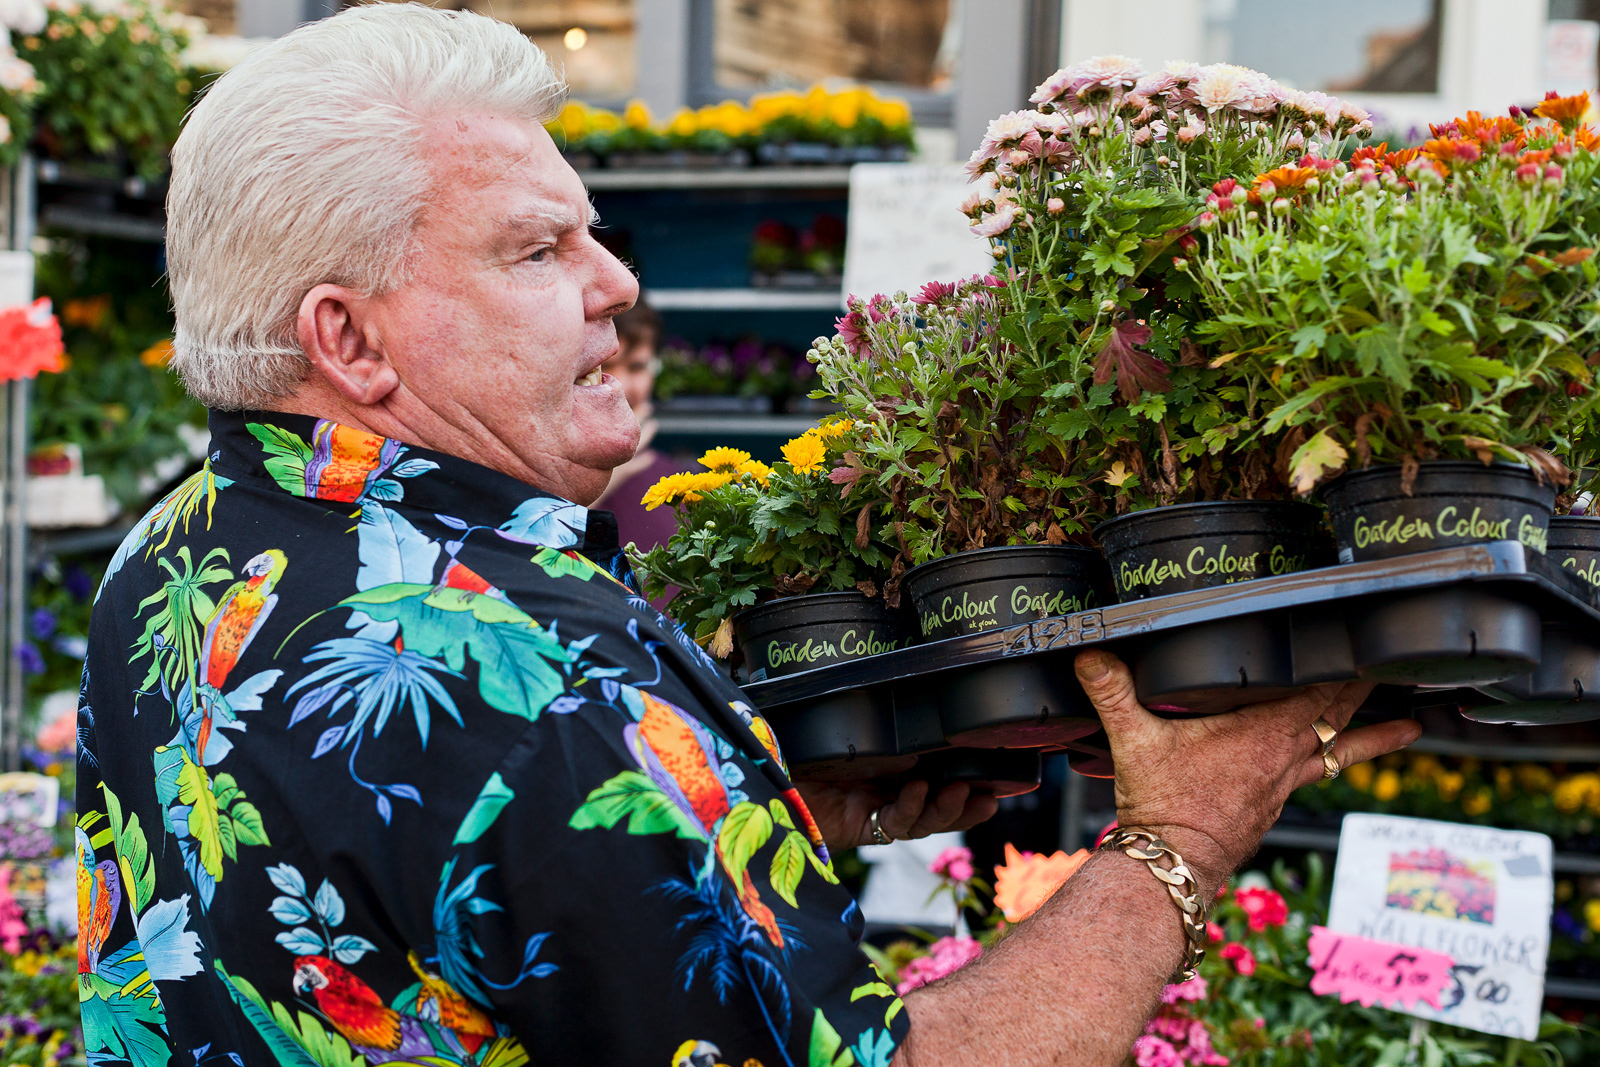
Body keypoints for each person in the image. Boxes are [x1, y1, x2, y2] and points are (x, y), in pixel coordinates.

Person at [76, 7, 1422, 1066]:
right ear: (348, 339)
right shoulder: (544, 680)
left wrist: (746, 816)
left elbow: (411, 899)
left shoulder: (172, 558)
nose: (617, 281)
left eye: (592, 233)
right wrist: (1181, 833)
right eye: (537, 251)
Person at [591, 299, 695, 564]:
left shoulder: (679, 485)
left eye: (636, 366)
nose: (621, 385)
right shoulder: (547, 481)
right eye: (603, 367)